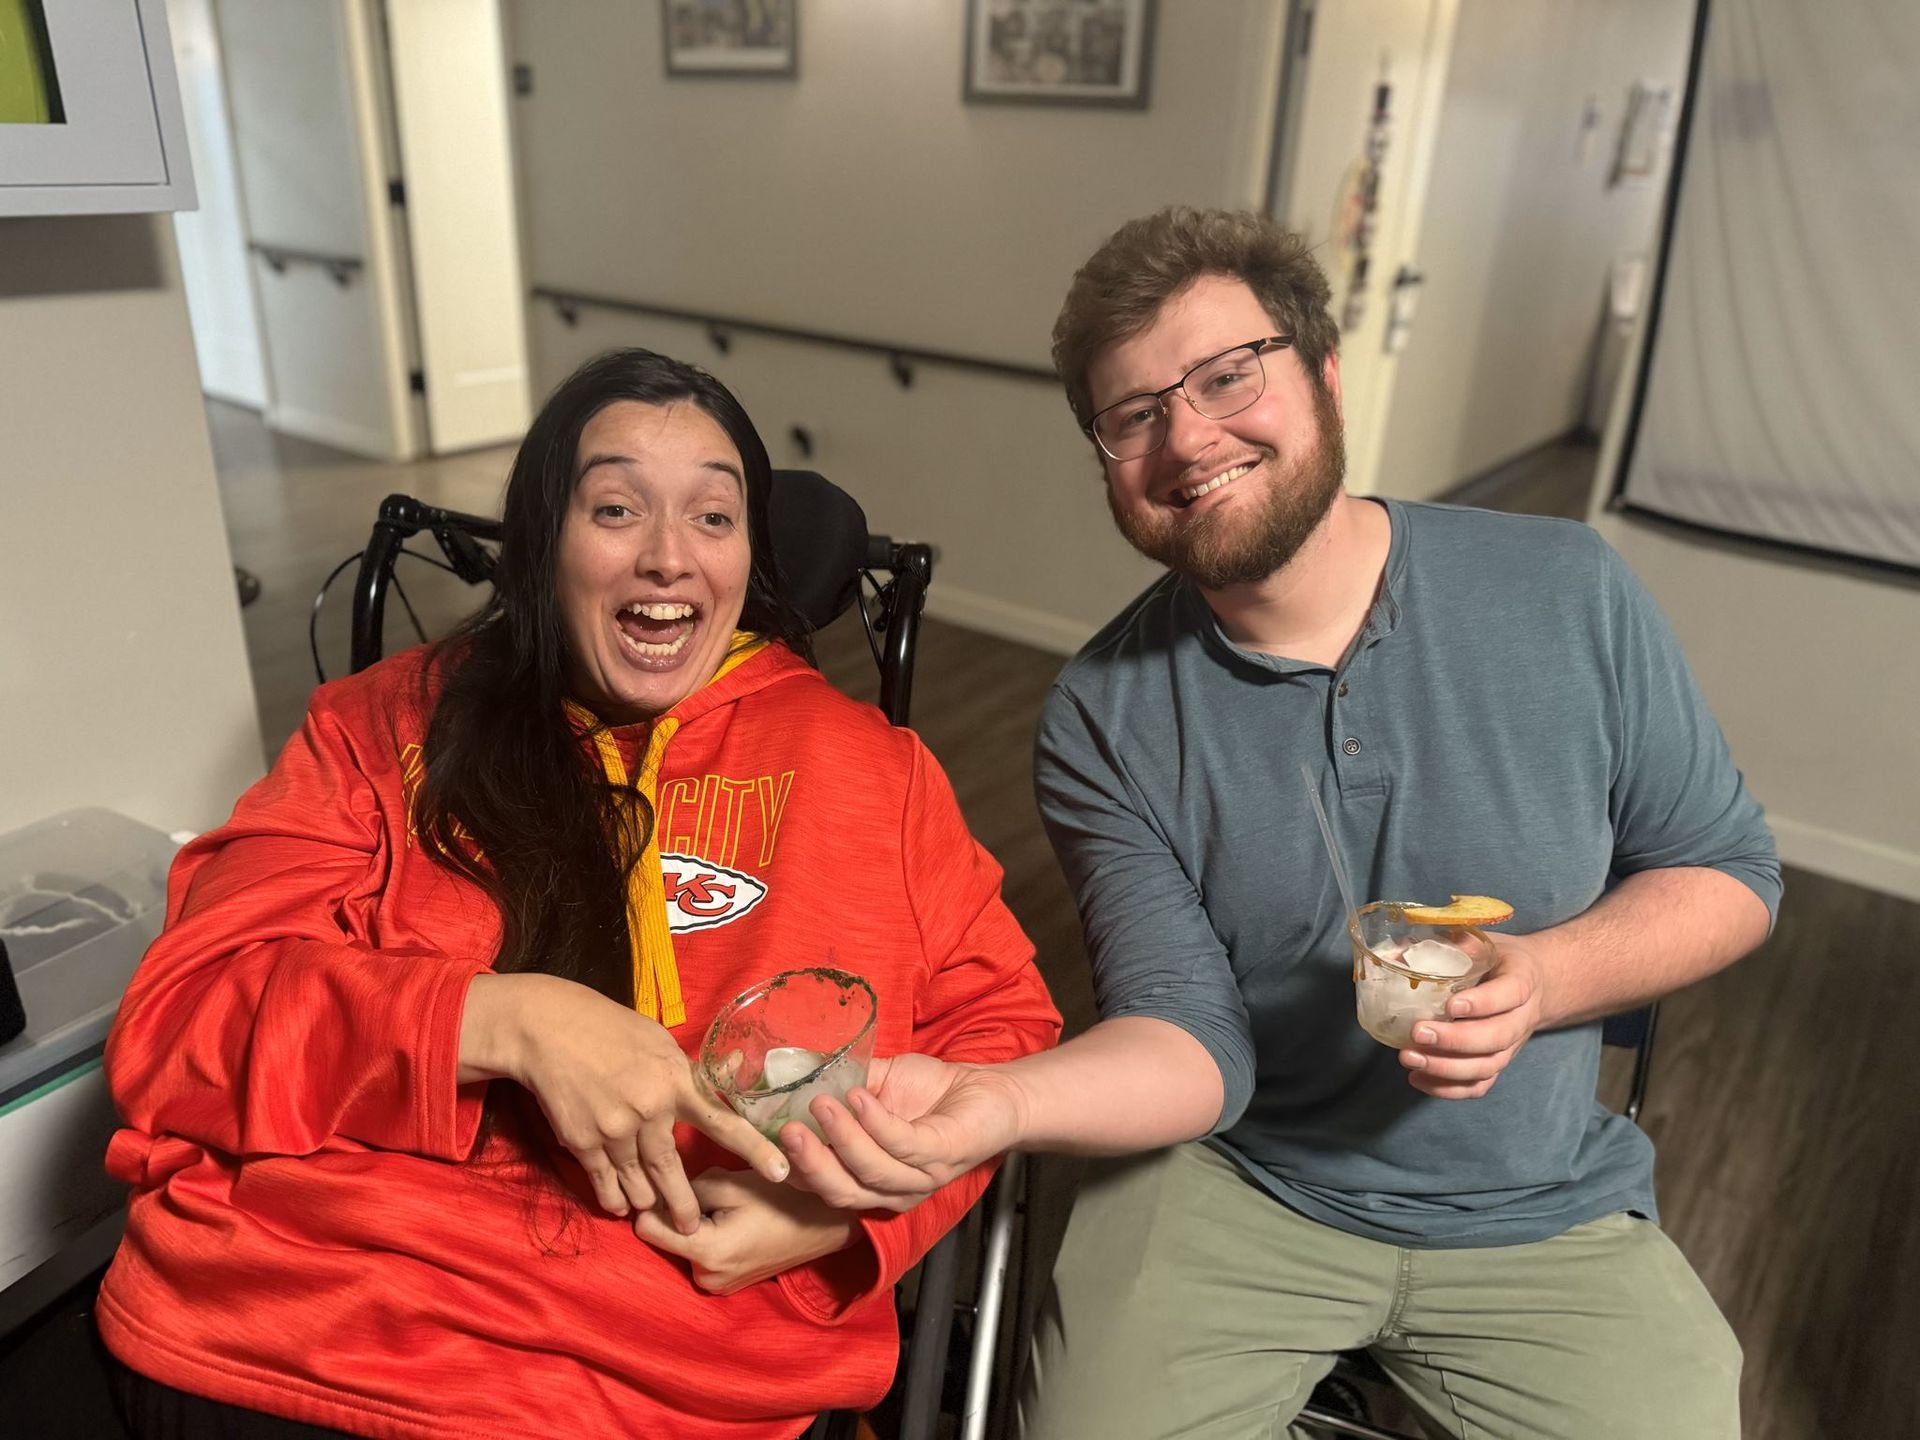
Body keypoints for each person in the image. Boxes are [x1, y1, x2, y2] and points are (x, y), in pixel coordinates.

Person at [781, 208, 1779, 1439]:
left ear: (1321, 373)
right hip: (1239, 1184)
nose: (1187, 438)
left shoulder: (1568, 589)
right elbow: (1190, 1032)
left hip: (1539, 1209)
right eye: (1132, 415)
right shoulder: (1103, 715)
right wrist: (1000, 1104)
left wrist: (1548, 976)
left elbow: (1727, 867)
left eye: (1225, 376)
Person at [96, 348, 1060, 1440]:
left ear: (751, 553)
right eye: (614, 509)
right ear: (541, 541)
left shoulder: (872, 775)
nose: (666, 559)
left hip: (657, 1372)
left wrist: (851, 1218)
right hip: (289, 1333)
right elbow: (180, 1022)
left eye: (712, 517)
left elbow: (1005, 1039)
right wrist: (497, 1020)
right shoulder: (379, 728)